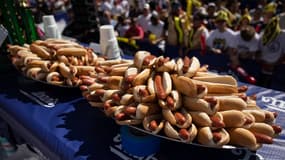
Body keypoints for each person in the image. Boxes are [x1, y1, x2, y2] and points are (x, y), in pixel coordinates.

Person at [256, 16, 285, 87]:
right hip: (262, 68)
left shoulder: (283, 35)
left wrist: (274, 64)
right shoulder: (263, 34)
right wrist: (262, 62)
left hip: (277, 70)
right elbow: (258, 51)